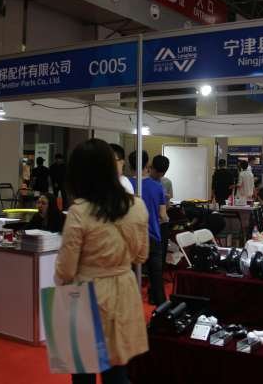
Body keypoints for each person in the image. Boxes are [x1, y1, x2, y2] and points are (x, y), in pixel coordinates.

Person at [55, 139, 149, 384]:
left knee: (83, 371)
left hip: (85, 294)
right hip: (124, 290)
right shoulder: (137, 205)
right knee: (117, 370)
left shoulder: (79, 211)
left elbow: (66, 269)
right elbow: (141, 256)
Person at [129, 150, 168, 306]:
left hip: (131, 237)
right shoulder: (157, 187)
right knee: (157, 279)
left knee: (130, 277)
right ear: (147, 164)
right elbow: (163, 215)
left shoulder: (125, 184)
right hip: (152, 236)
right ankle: (162, 311)